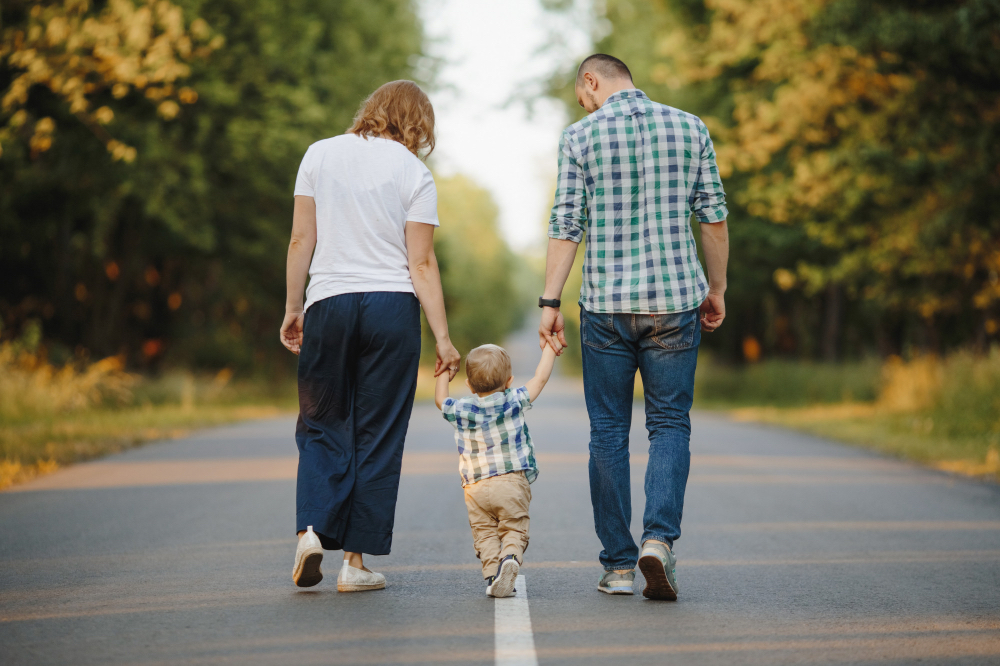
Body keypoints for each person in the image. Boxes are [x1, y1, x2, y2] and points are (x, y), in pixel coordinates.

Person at [538, 54, 730, 600]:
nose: (586, 104)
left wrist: (550, 300)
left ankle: (620, 566)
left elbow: (565, 222)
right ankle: (659, 542)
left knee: (607, 432)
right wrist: (715, 289)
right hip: (675, 303)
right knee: (669, 424)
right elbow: (712, 216)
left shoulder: (580, 137)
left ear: (592, 81)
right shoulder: (691, 127)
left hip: (606, 306)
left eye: (584, 94)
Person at [280, 80, 461, 591]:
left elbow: (300, 239)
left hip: (329, 303)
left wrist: (295, 307)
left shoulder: (319, 154)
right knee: (377, 435)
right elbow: (421, 262)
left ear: (371, 110)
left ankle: (312, 532)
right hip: (391, 308)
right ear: (417, 126)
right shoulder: (415, 172)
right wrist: (443, 338)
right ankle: (354, 565)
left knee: (321, 422)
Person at [435, 342, 558, 597]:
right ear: (509, 381)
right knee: (513, 526)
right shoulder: (513, 400)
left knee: (484, 532)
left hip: (475, 487)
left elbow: (440, 400)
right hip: (511, 481)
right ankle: (510, 557)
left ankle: (493, 576)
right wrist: (549, 349)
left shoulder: (462, 409)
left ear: (469, 385)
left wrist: (445, 372)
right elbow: (541, 378)